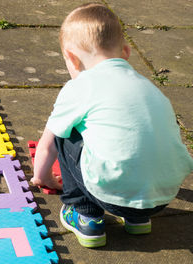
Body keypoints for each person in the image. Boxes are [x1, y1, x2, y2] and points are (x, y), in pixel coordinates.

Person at [30, 2, 193, 248]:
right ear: (126, 52)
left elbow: (47, 146)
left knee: (64, 131)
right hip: (162, 197)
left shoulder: (79, 86)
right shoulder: (149, 89)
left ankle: (85, 215)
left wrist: (42, 178)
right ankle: (137, 219)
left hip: (112, 194)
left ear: (72, 59)